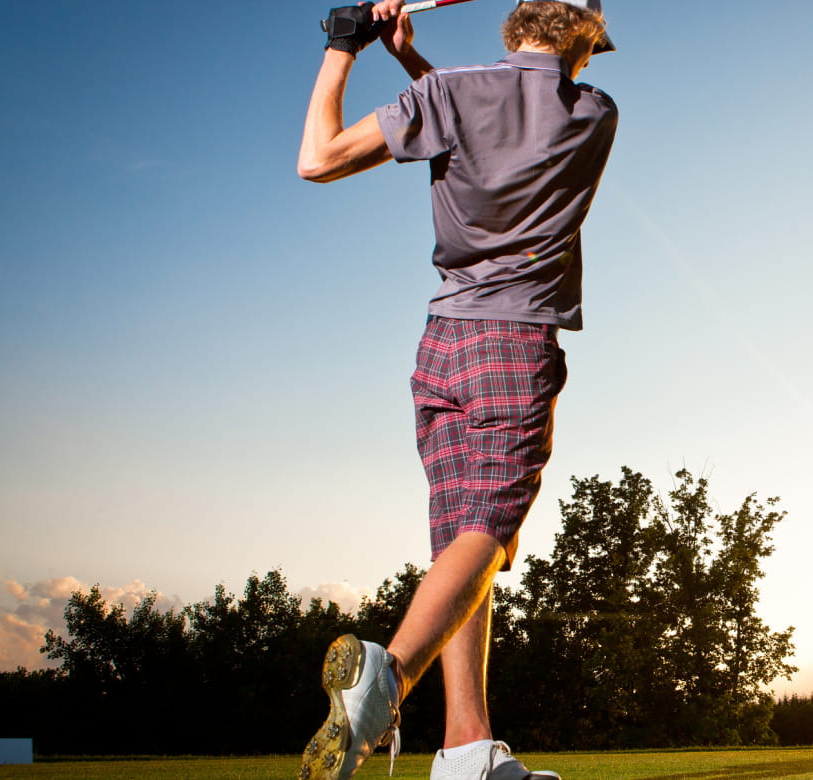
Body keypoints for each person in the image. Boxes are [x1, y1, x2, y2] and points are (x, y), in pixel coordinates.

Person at [295, 1, 617, 778]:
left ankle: (467, 750)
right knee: (487, 532)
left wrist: (350, 48)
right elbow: (507, 127)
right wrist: (414, 64)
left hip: (441, 347)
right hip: (515, 342)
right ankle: (389, 677)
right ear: (580, 34)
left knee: (459, 546)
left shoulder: (448, 95)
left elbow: (320, 156)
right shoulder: (595, 113)